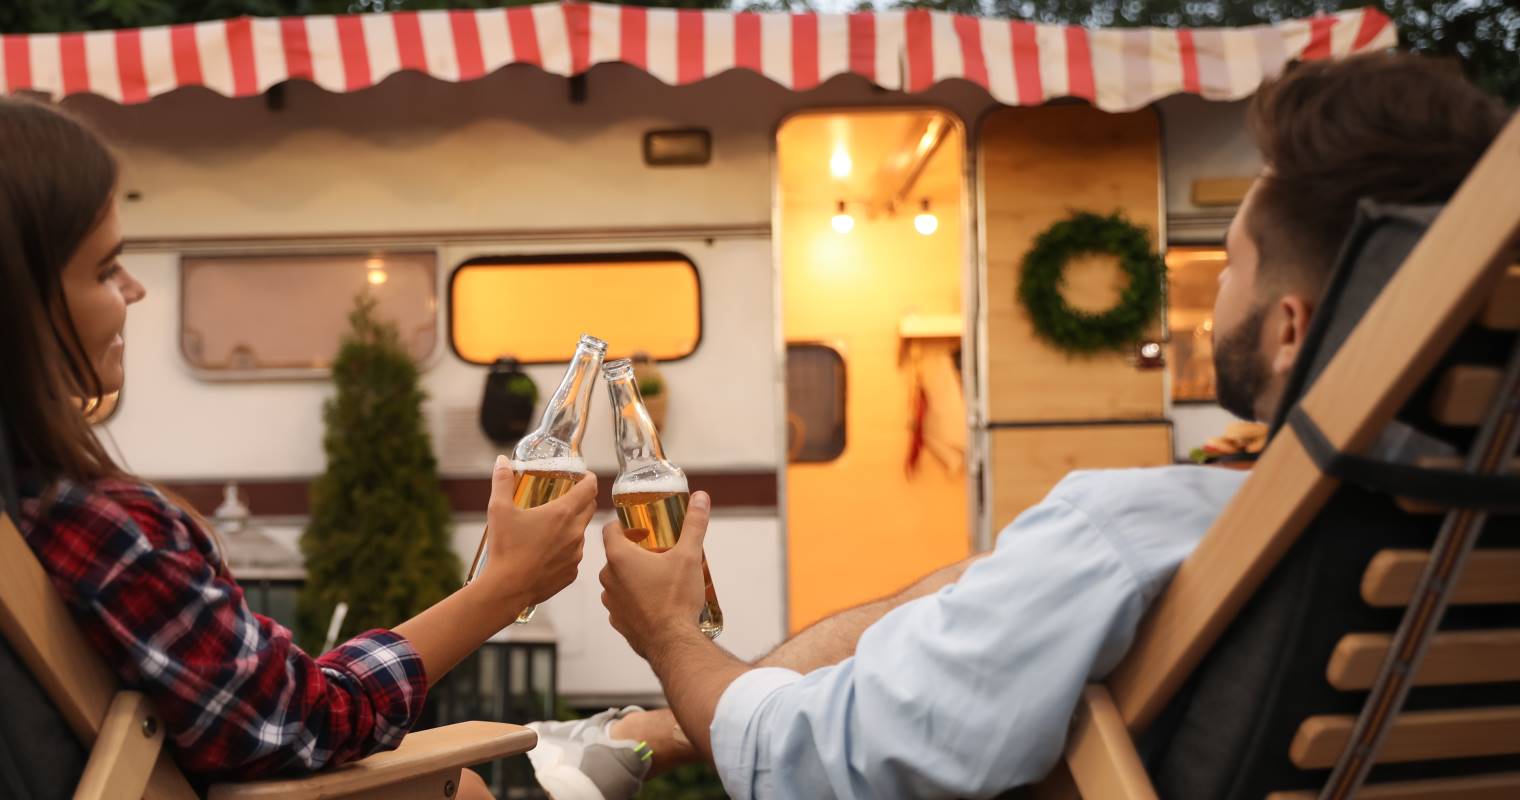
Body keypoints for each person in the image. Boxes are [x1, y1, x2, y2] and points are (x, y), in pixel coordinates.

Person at [527, 52, 1511, 800]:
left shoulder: (1133, 530)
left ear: (1291, 329)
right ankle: (648, 728)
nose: (1212, 301)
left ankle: (647, 724)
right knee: (974, 578)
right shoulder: (1474, 542)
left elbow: (812, 759)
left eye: (1230, 266)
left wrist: (664, 628)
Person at [0, 88, 597, 793]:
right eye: (107, 267)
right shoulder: (90, 528)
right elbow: (305, 724)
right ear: (11, 306)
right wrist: (503, 587)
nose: (135, 291)